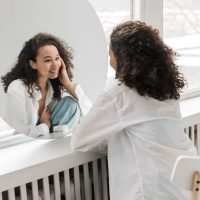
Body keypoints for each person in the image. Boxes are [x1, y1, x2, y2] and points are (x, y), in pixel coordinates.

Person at [71, 21, 197, 200]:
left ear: (121, 57)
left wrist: (113, 138)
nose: (109, 59)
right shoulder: (165, 87)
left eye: (110, 53)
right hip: (186, 179)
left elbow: (79, 140)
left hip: (154, 187)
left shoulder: (119, 93)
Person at [1, 33, 91, 138]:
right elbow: (21, 131)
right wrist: (44, 125)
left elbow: (90, 114)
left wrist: (67, 84)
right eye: (48, 60)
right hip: (24, 146)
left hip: (51, 144)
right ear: (33, 64)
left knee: (72, 104)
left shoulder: (54, 87)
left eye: (57, 58)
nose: (55, 65)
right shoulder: (17, 87)